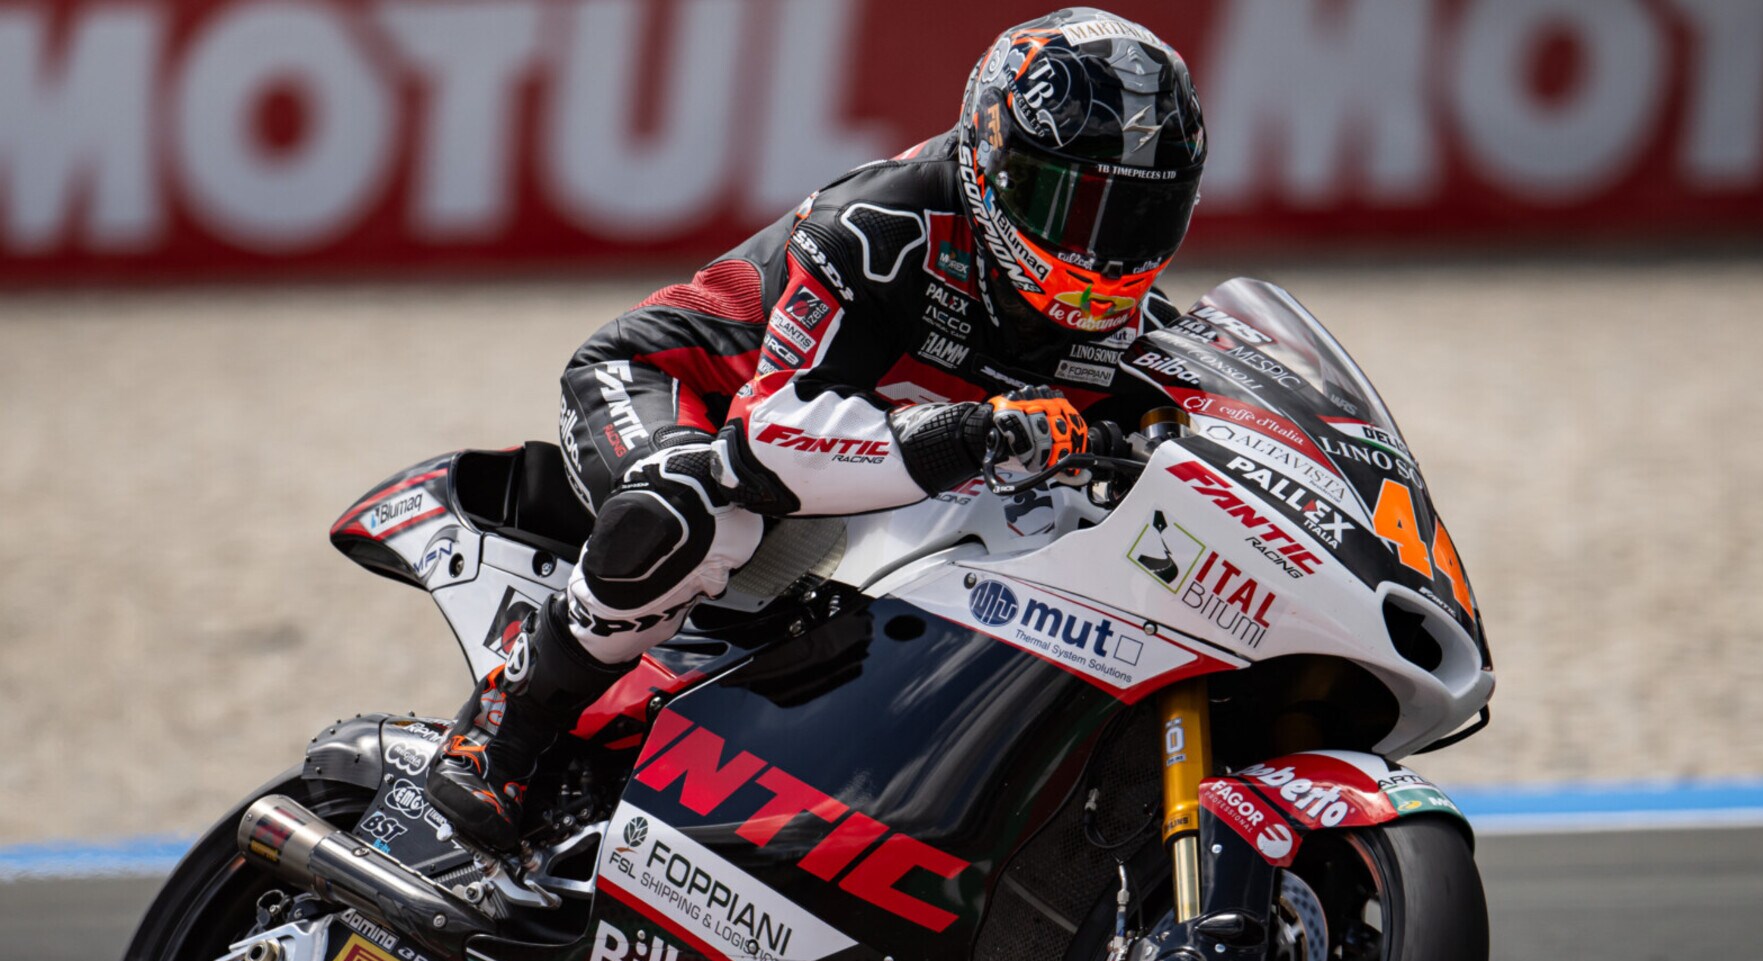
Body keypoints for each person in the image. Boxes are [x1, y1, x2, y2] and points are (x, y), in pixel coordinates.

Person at [426, 7, 1207, 850]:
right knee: (693, 503)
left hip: (846, 464)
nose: (1101, 251)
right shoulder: (881, 226)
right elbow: (771, 435)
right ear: (992, 159)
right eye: (1069, 203)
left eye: (1137, 217)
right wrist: (975, 433)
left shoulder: (1135, 327)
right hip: (672, 387)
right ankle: (505, 724)